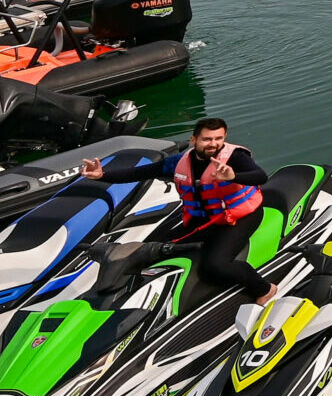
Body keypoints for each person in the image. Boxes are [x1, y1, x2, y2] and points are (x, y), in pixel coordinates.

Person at [83, 116, 278, 304]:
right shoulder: (178, 162)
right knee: (148, 250)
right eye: (207, 139)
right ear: (193, 139)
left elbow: (260, 176)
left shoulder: (235, 157)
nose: (213, 144)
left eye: (219, 138)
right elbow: (139, 172)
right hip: (202, 219)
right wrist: (102, 175)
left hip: (238, 218)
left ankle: (264, 288)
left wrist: (233, 175)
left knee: (216, 265)